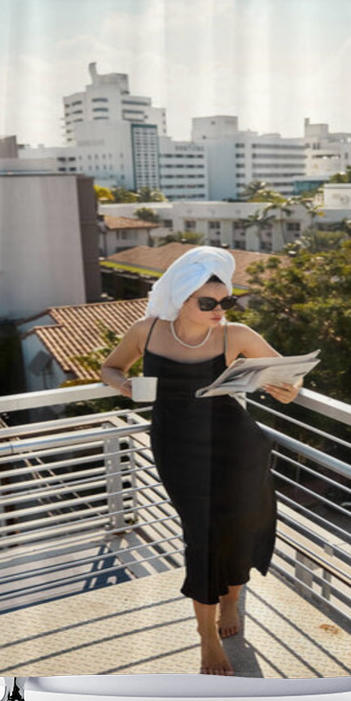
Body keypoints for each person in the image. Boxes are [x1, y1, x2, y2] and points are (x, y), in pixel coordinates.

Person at [100, 246, 300, 677]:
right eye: (207, 303)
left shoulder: (236, 335)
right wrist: (126, 387)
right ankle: (207, 636)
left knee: (238, 523)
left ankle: (231, 598)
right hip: (175, 445)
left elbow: (287, 374)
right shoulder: (147, 330)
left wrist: (287, 387)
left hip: (236, 444)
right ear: (181, 299)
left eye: (225, 301)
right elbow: (110, 368)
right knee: (200, 535)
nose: (218, 310)